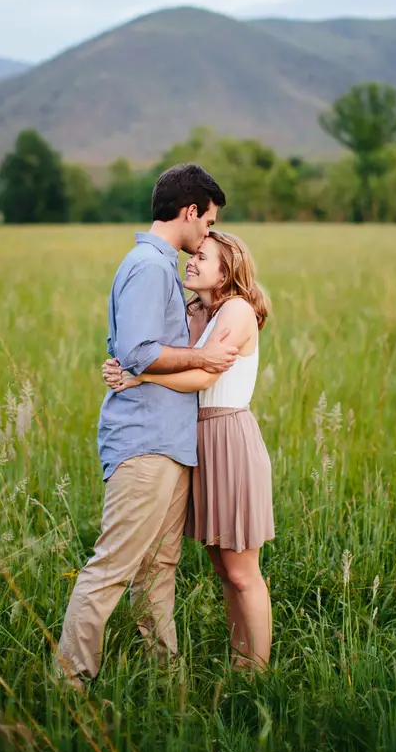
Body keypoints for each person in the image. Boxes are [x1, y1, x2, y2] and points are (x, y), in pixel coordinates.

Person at [57, 163, 237, 688]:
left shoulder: (159, 266)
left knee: (159, 569)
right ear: (189, 211)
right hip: (145, 444)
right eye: (207, 222)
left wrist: (183, 362)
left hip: (171, 444)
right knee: (112, 567)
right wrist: (202, 362)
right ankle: (70, 684)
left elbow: (134, 355)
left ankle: (165, 680)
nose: (207, 232)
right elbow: (137, 351)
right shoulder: (151, 265)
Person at [103, 231, 274, 670]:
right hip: (197, 440)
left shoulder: (237, 311)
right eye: (193, 255)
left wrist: (140, 377)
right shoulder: (197, 310)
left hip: (229, 439)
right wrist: (125, 363)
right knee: (223, 570)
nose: (191, 262)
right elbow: (163, 353)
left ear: (227, 269)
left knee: (242, 572)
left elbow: (201, 379)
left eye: (202, 256)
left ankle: (255, 673)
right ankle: (240, 663)